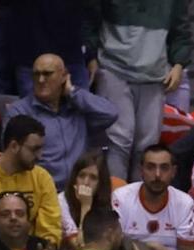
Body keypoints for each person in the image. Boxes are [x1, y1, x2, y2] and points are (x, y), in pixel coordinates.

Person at [86, 0, 190, 181]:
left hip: (155, 74)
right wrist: (91, 57)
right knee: (118, 141)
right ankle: (115, 200)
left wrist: (179, 64)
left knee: (147, 145)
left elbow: (180, 29)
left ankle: (140, 202)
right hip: (113, 69)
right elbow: (90, 21)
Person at [13, 51, 119, 187]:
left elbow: (111, 113)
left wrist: (73, 92)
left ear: (64, 76)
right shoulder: (20, 111)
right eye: (36, 74)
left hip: (78, 190)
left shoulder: (78, 110)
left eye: (47, 74)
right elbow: (16, 158)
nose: (40, 80)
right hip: (42, 190)